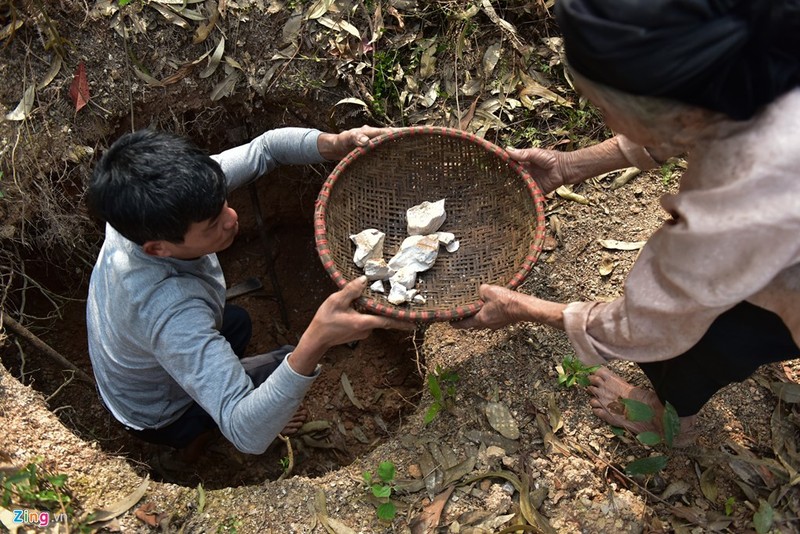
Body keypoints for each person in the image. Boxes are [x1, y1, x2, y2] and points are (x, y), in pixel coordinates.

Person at [454, 0, 800, 445]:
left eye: (600, 108)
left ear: (681, 116)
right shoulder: (761, 56)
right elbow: (685, 124)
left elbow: (651, 326)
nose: (600, 116)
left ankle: (667, 422)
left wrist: (523, 307)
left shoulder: (740, 202)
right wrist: (567, 166)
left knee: (714, 337)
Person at [85, 125, 414, 472]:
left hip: (137, 357)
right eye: (213, 224)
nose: (232, 218)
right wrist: (316, 340)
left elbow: (266, 148)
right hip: (158, 410)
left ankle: (221, 404)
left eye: (223, 202)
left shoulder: (151, 205)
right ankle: (193, 445)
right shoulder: (170, 312)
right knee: (287, 362)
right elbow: (247, 433)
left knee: (237, 322)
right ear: (158, 248)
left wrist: (332, 144)